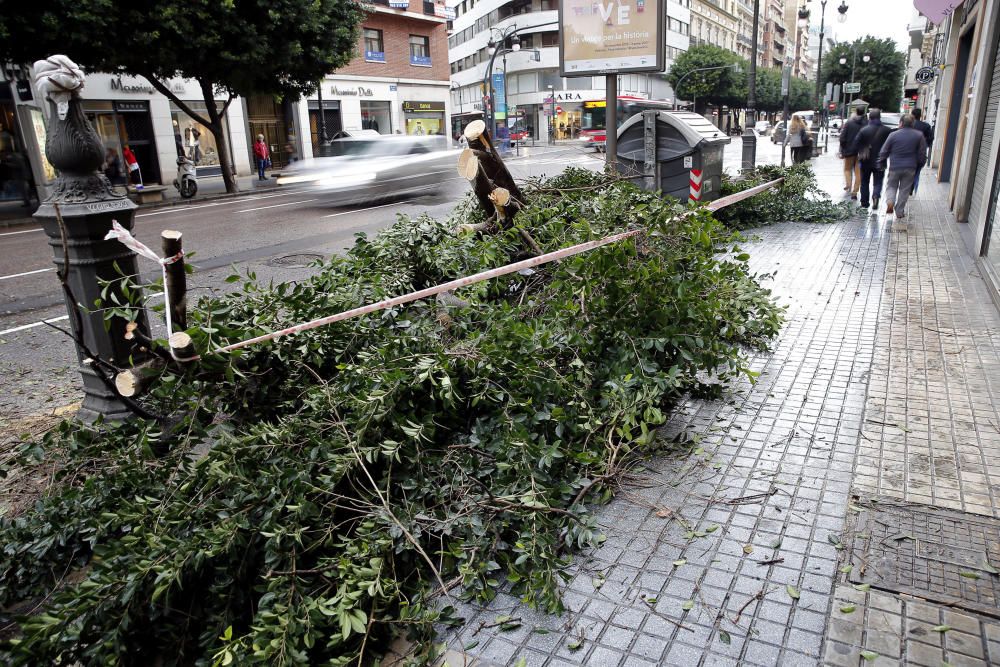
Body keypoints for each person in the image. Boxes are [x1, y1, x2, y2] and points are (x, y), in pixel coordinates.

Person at [878, 114, 927, 224]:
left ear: (901, 123)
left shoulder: (893, 135)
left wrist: (882, 161)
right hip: (910, 167)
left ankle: (890, 202)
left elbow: (884, 150)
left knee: (891, 186)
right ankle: (899, 211)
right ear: (913, 124)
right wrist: (920, 164)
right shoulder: (919, 135)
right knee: (904, 189)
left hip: (895, 166)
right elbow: (922, 153)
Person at [851, 108, 892, 212]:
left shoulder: (864, 130)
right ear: (879, 117)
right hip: (880, 161)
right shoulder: (887, 130)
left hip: (865, 161)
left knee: (864, 181)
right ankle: (876, 196)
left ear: (870, 117)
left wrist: (862, 149)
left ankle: (864, 203)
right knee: (878, 182)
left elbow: (855, 144)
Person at [839, 107, 867, 199]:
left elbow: (842, 138)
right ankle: (855, 192)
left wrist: (843, 148)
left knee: (847, 169)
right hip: (861, 152)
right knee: (858, 172)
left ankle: (848, 185)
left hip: (849, 150)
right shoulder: (866, 124)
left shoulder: (849, 123)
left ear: (856, 112)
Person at [911, 108, 934, 194]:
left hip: (908, 153)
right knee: (917, 172)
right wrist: (925, 146)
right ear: (920, 116)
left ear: (912, 115)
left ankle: (908, 185)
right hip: (920, 154)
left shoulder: (909, 124)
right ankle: (913, 186)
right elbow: (931, 138)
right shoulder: (926, 126)